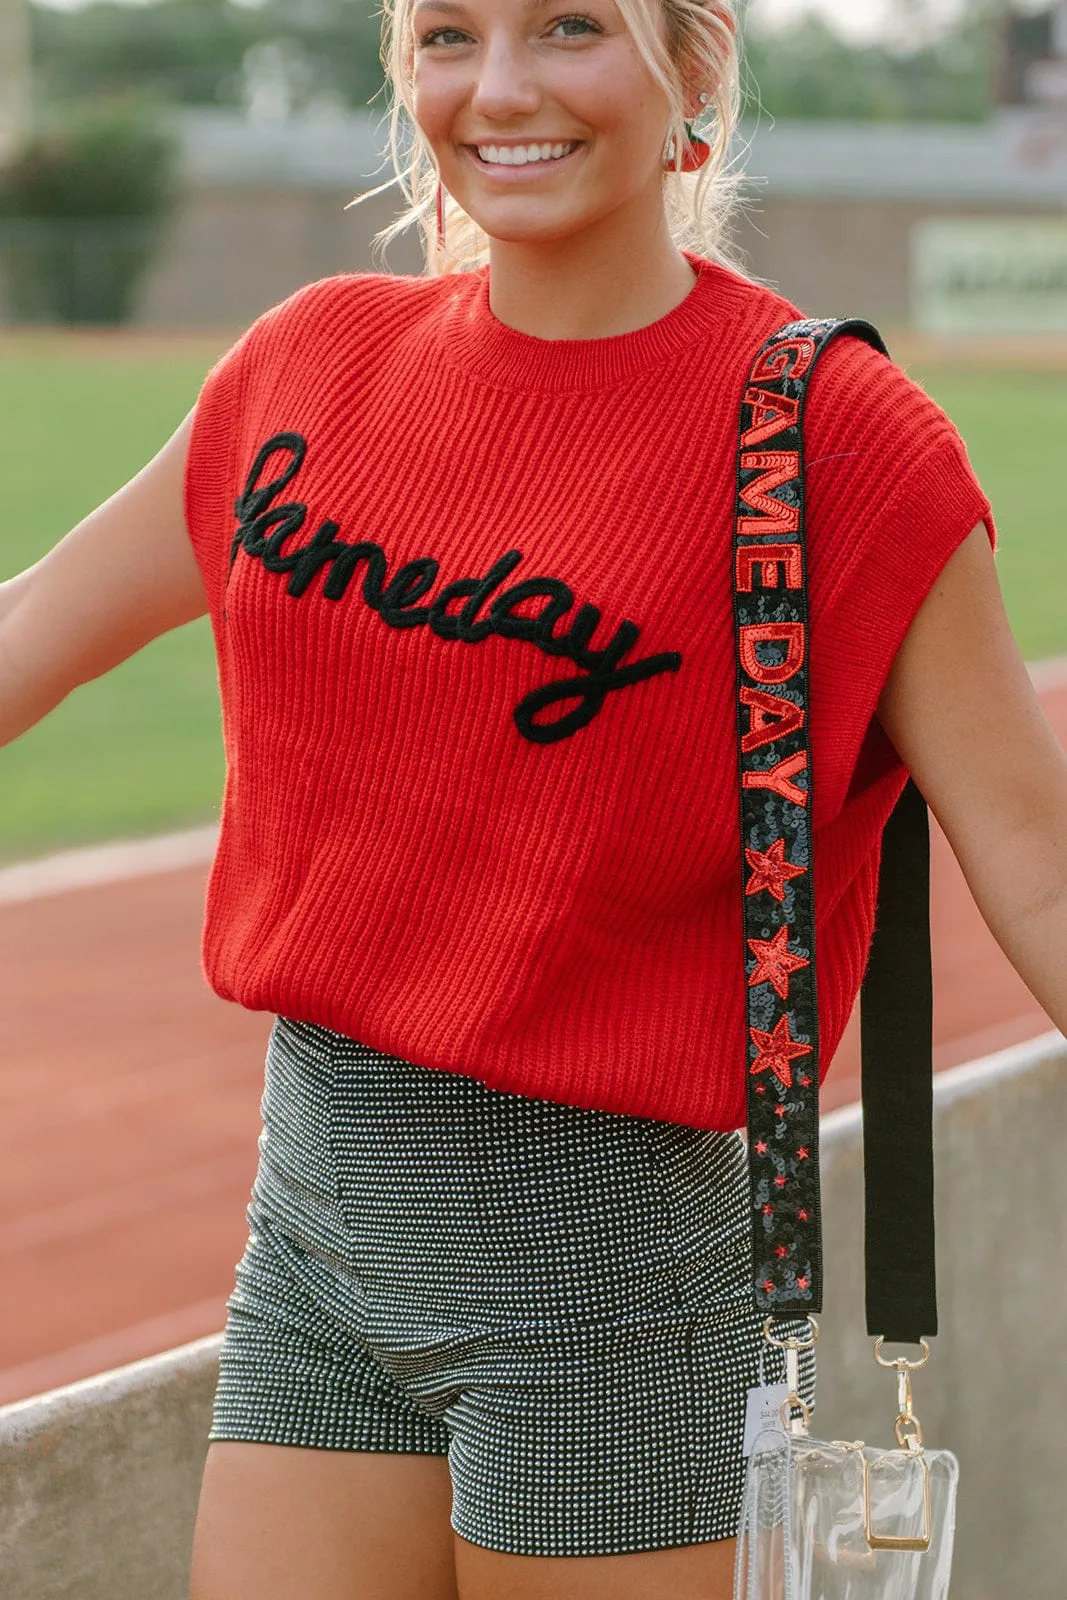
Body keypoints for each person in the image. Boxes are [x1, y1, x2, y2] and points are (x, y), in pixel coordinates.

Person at [2, 0, 1065, 1595]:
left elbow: (1035, 864)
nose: (497, 88)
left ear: (689, 71)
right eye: (446, 36)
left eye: (568, 26)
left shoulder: (838, 443)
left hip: (609, 1290)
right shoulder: (308, 365)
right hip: (310, 1244)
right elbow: (29, 630)